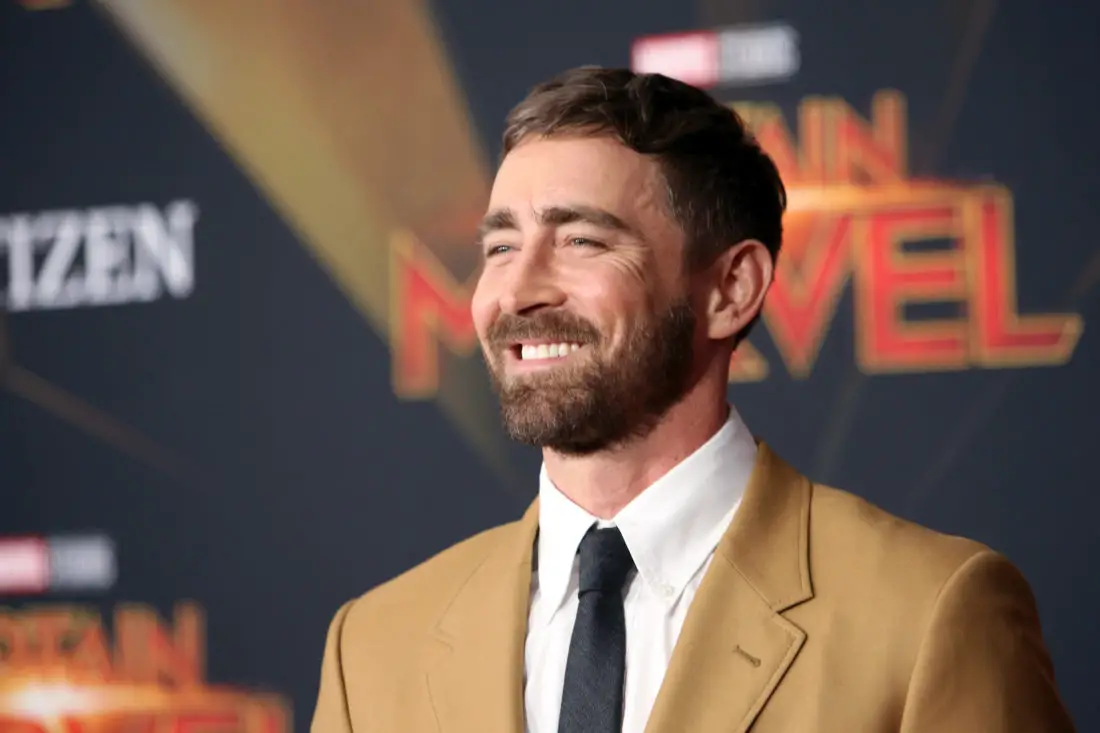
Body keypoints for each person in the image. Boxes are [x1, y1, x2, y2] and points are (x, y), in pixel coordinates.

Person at [310, 67, 1075, 733]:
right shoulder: (372, 645)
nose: (517, 291)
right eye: (500, 247)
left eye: (581, 241)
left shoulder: (929, 612)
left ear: (731, 289)